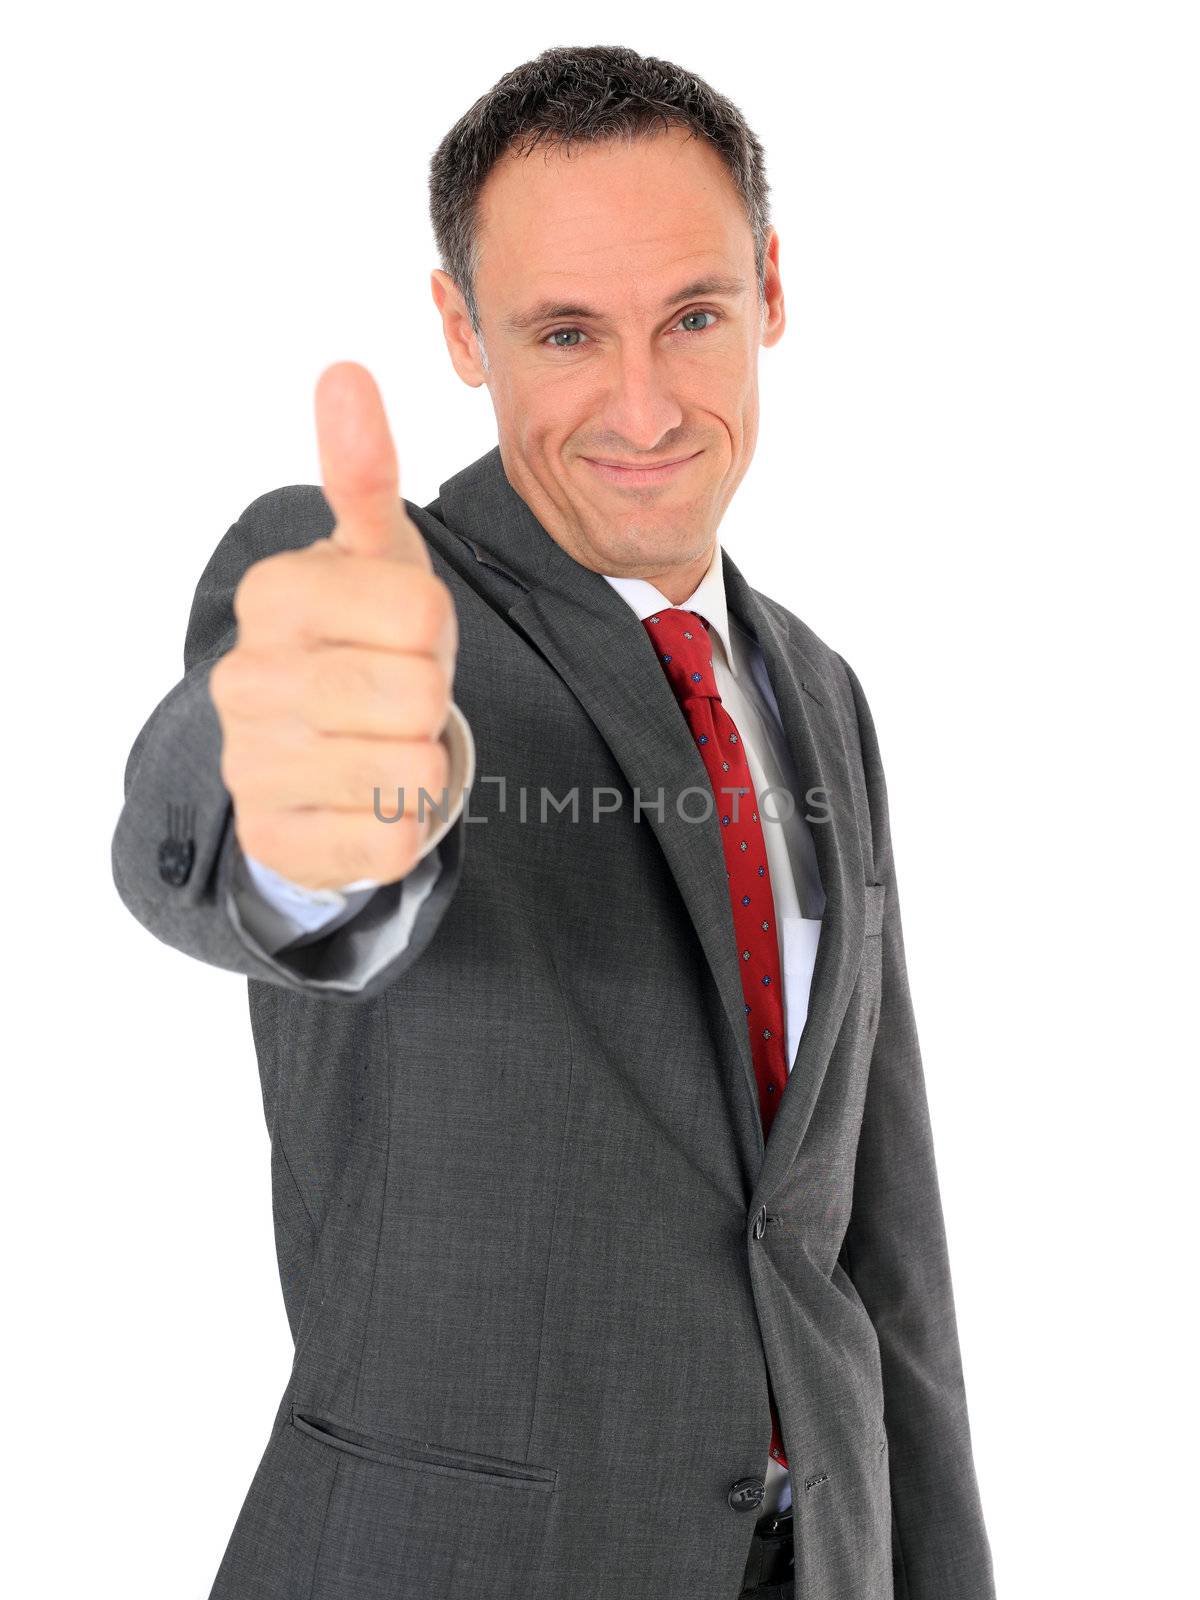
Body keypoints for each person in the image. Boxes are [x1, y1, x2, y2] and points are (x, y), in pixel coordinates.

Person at [111, 44, 995, 1600]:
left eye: (695, 318)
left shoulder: (821, 690)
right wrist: (321, 825)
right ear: (462, 328)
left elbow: (877, 1239)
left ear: (772, 291)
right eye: (566, 332)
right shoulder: (367, 597)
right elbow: (267, 832)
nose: (643, 405)